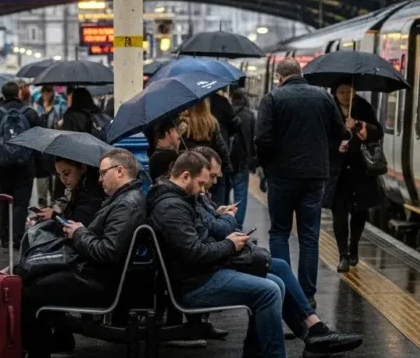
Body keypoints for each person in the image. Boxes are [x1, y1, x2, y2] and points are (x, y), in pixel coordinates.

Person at [148, 151, 362, 358]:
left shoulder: (180, 199)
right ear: (185, 176)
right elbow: (194, 253)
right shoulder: (172, 208)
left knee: (277, 283)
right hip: (194, 284)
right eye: (202, 183)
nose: (204, 189)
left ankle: (260, 351)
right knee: (269, 290)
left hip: (201, 273)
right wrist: (230, 245)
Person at [22, 149, 147, 358]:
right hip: (93, 271)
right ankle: (47, 342)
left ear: (119, 171)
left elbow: (108, 251)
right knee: (32, 276)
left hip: (96, 280)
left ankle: (37, 351)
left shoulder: (126, 204)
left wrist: (78, 233)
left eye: (102, 173)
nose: (99, 180)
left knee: (29, 290)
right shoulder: (123, 199)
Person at [255, 59, 348, 307]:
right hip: (315, 176)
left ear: (279, 76)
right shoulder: (323, 97)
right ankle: (307, 294)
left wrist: (266, 165)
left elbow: (261, 138)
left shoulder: (272, 99)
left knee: (279, 233)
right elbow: (340, 132)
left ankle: (286, 290)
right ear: (300, 74)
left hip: (281, 175)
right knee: (309, 236)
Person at [0, 81, 44, 247]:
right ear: (18, 93)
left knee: (3, 202)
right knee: (21, 204)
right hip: (25, 167)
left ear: (3, 94)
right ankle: (16, 238)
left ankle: (4, 238)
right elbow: (42, 139)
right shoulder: (30, 114)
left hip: (1, 168)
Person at [329, 81, 383, 273]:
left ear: (355, 92)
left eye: (349, 92)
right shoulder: (329, 107)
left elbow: (378, 132)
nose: (345, 96)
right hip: (338, 170)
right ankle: (343, 254)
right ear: (334, 92)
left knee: (360, 212)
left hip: (361, 170)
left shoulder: (363, 106)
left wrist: (359, 125)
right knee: (339, 212)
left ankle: (354, 245)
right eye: (341, 92)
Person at [32, 157, 105, 227]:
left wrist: (54, 215)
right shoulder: (78, 187)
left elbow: (77, 226)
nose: (62, 179)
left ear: (83, 168)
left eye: (66, 173)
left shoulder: (90, 193)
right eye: (59, 174)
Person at [191, 147, 240, 240]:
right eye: (212, 176)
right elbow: (218, 229)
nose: (214, 182)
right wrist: (229, 216)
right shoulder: (191, 196)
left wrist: (216, 213)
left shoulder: (200, 195)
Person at [179, 98, 233, 182]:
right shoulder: (212, 122)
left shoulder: (183, 124)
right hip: (209, 169)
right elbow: (221, 146)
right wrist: (227, 168)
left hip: (189, 171)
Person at [33, 85, 66, 208]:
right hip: (41, 144)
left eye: (49, 91)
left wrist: (60, 122)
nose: (46, 93)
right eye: (44, 91)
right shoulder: (37, 104)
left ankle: (54, 200)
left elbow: (63, 121)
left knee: (55, 172)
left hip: (55, 142)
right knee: (42, 173)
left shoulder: (60, 104)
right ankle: (42, 201)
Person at [209, 90, 242, 205]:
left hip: (197, 157)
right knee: (219, 195)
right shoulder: (221, 101)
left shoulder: (192, 103)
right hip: (218, 156)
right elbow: (235, 124)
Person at [230, 88, 257, 227]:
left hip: (227, 161)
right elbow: (254, 139)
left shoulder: (226, 112)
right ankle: (238, 226)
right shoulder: (249, 115)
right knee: (240, 196)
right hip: (243, 161)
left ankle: (224, 224)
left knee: (223, 194)